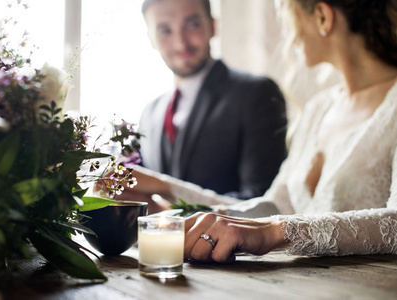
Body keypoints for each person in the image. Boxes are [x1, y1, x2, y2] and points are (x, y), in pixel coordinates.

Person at [122, 0, 397, 261]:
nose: (287, 34)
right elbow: (272, 206)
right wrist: (163, 189)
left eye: (287, 17)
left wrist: (275, 232)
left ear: (323, 17)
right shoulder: (319, 109)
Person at [137, 0, 288, 202]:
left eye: (192, 24)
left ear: (213, 26)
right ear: (151, 39)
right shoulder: (149, 113)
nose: (181, 42)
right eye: (165, 30)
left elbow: (262, 205)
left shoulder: (256, 93)